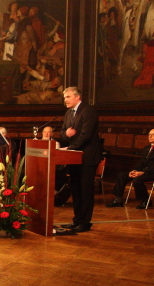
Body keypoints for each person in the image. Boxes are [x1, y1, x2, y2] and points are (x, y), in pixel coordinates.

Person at [58, 87, 102, 232]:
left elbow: (86, 135)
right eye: (65, 97)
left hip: (87, 157)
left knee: (86, 191)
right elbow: (63, 133)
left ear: (77, 97)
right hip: (74, 158)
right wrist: (68, 134)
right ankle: (76, 220)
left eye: (68, 97)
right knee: (76, 190)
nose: (65, 100)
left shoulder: (88, 111)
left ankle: (85, 223)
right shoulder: (68, 113)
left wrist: (70, 148)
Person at [106, 128, 154, 209]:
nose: (150, 136)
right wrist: (135, 170)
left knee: (137, 180)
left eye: (153, 135)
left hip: (151, 173)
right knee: (122, 175)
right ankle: (118, 200)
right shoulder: (147, 148)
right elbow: (141, 162)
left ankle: (146, 201)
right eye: (149, 135)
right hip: (143, 172)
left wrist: (143, 172)